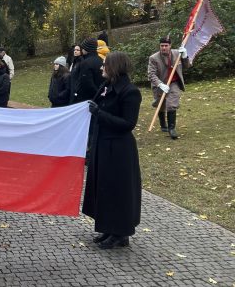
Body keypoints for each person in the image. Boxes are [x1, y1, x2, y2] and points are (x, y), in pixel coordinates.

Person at [83, 51, 142, 249]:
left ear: (114, 67)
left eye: (105, 65)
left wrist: (99, 113)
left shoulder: (130, 92)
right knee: (105, 188)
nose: (101, 68)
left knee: (118, 190)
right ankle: (109, 228)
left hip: (119, 149)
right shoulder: (107, 87)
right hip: (103, 144)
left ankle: (120, 233)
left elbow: (127, 123)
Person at [147, 37, 189, 139]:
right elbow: (151, 74)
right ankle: (163, 123)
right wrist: (160, 84)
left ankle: (172, 128)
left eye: (166, 45)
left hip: (174, 83)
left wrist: (185, 56)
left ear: (170, 46)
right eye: (162, 46)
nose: (164, 48)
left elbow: (187, 66)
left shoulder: (177, 53)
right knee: (160, 105)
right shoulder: (153, 58)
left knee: (172, 104)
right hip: (160, 84)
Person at [71, 38, 103, 103]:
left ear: (87, 49)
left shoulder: (85, 63)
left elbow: (87, 84)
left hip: (89, 99)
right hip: (100, 96)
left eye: (83, 48)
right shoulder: (101, 60)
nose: (82, 49)